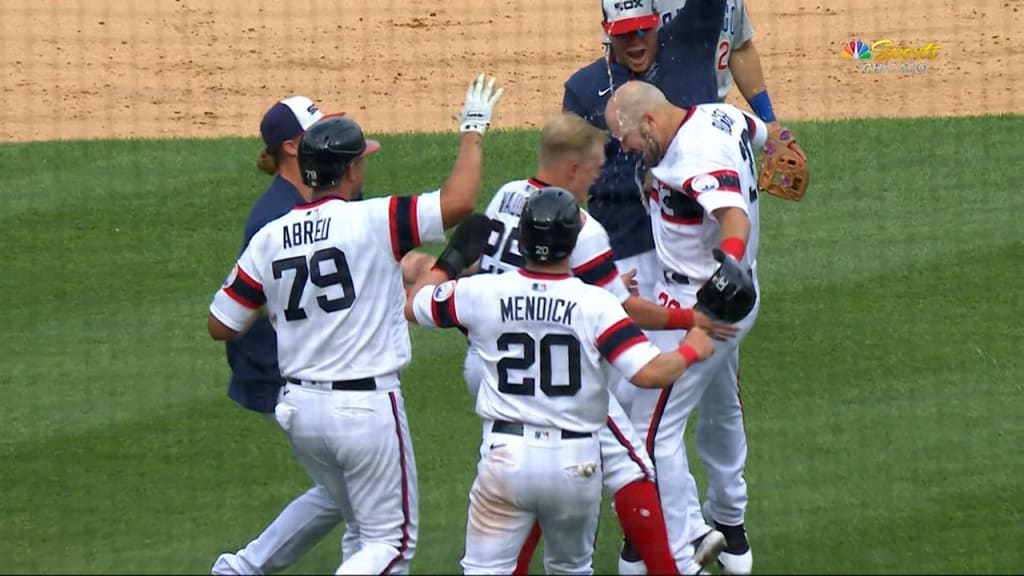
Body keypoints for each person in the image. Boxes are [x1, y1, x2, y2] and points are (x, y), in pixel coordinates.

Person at [206, 73, 505, 575]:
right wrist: (473, 129)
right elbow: (459, 202)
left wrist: (281, 305)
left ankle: (241, 569)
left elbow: (221, 324)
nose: (365, 165)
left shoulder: (273, 235)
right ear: (346, 172)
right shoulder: (374, 218)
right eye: (361, 159)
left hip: (302, 409)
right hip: (364, 409)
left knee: (362, 529)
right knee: (392, 543)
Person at [464, 112, 736, 575]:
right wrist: (694, 321)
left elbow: (469, 281)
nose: (594, 181)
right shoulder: (582, 229)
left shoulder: (507, 194)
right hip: (556, 370)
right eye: (591, 169)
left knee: (515, 475)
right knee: (631, 464)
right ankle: (676, 564)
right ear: (571, 169)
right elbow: (624, 311)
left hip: (491, 362)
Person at [403, 187, 717, 575]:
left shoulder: (480, 292)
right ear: (572, 243)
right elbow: (650, 373)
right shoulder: (597, 304)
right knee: (569, 570)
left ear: (523, 239)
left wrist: (449, 262)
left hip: (505, 458)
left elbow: (415, 305)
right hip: (576, 464)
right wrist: (691, 349)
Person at [564, 0, 732, 571]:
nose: (636, 43)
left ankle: (707, 521)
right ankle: (666, 531)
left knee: (677, 405)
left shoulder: (687, 42)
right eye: (624, 34)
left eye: (643, 30)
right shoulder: (585, 87)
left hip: (684, 258)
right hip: (621, 252)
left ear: (657, 22)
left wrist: (769, 122)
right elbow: (580, 171)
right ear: (606, 32)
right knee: (637, 400)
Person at [604, 80, 765, 576]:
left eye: (628, 138)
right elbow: (762, 134)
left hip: (706, 301)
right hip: (734, 295)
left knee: (647, 435)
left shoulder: (693, 155)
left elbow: (733, 218)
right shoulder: (721, 114)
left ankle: (681, 545)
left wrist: (727, 269)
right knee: (721, 405)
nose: (626, 149)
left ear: (649, 123)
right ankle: (730, 525)